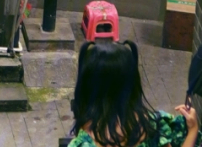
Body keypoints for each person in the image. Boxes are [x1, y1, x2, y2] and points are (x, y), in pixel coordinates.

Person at [68, 40, 199, 147]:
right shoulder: (152, 128)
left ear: (87, 87)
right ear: (133, 84)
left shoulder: (83, 142)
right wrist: (192, 130)